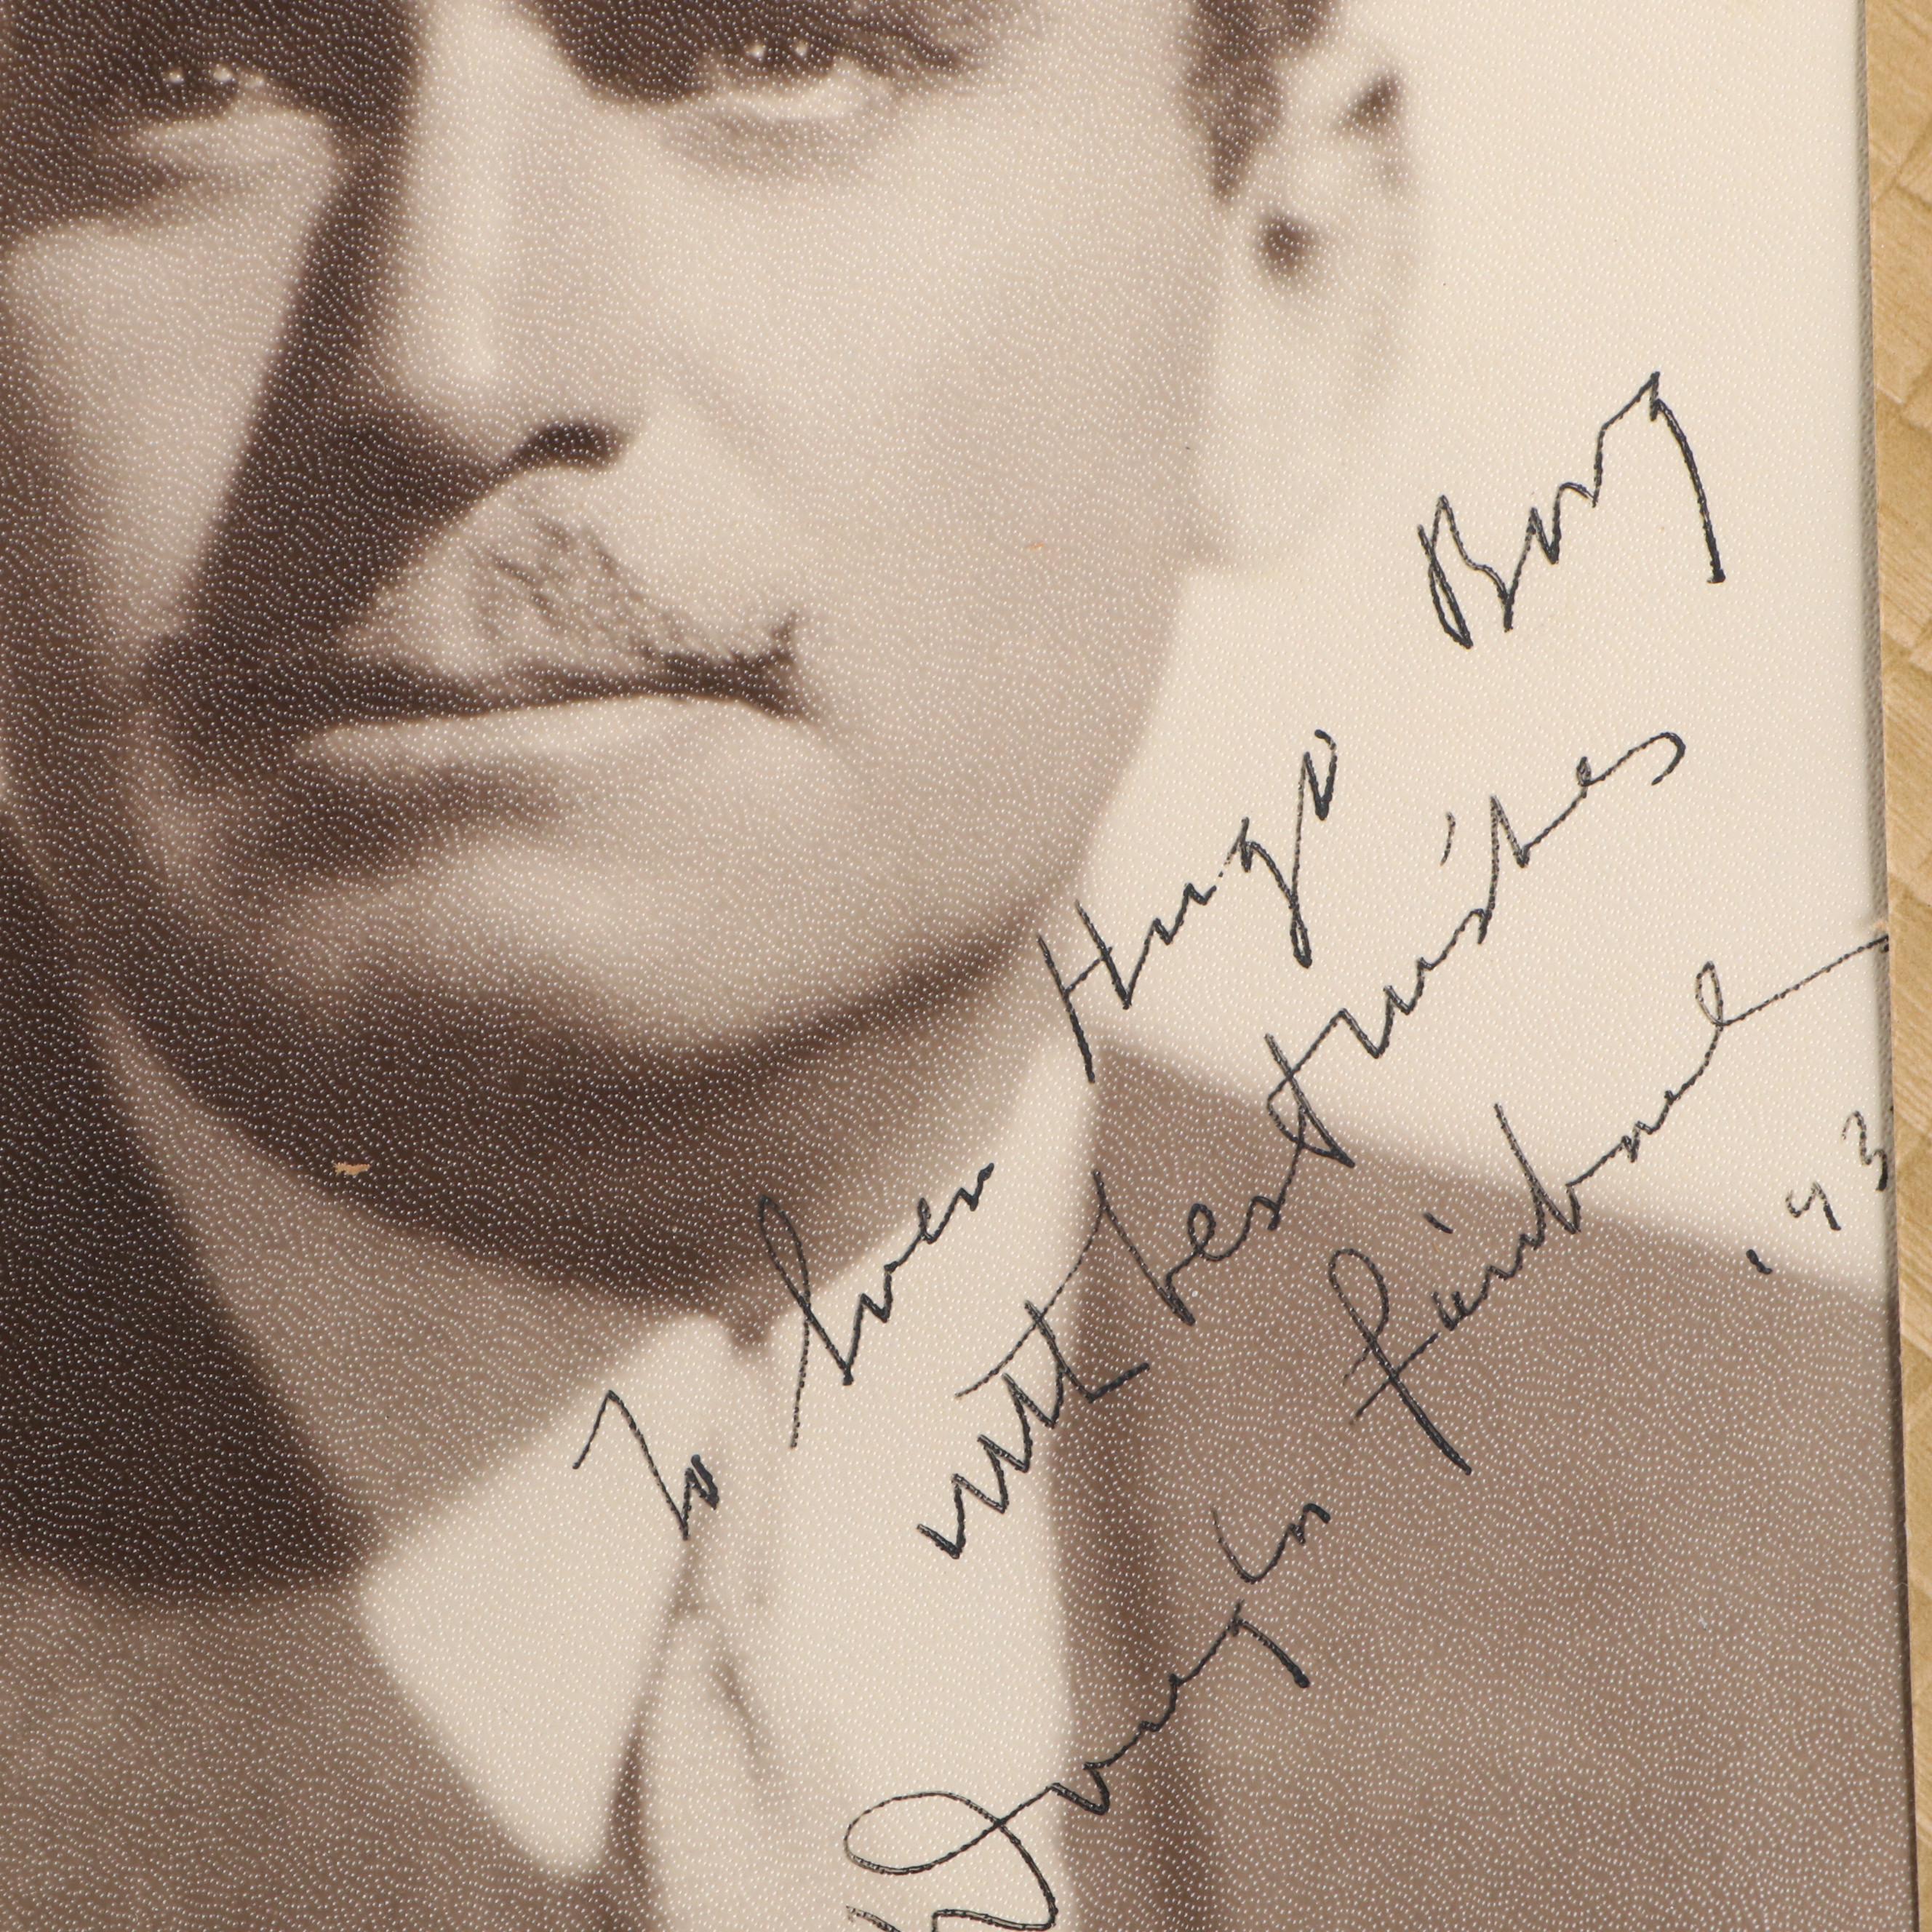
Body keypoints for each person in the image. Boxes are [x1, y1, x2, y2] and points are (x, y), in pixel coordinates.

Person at [0, 0, 1912, 1925]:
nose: (446, 360)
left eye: (768, 51)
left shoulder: (1824, 1572)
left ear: (1285, 283)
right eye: (190, 76)